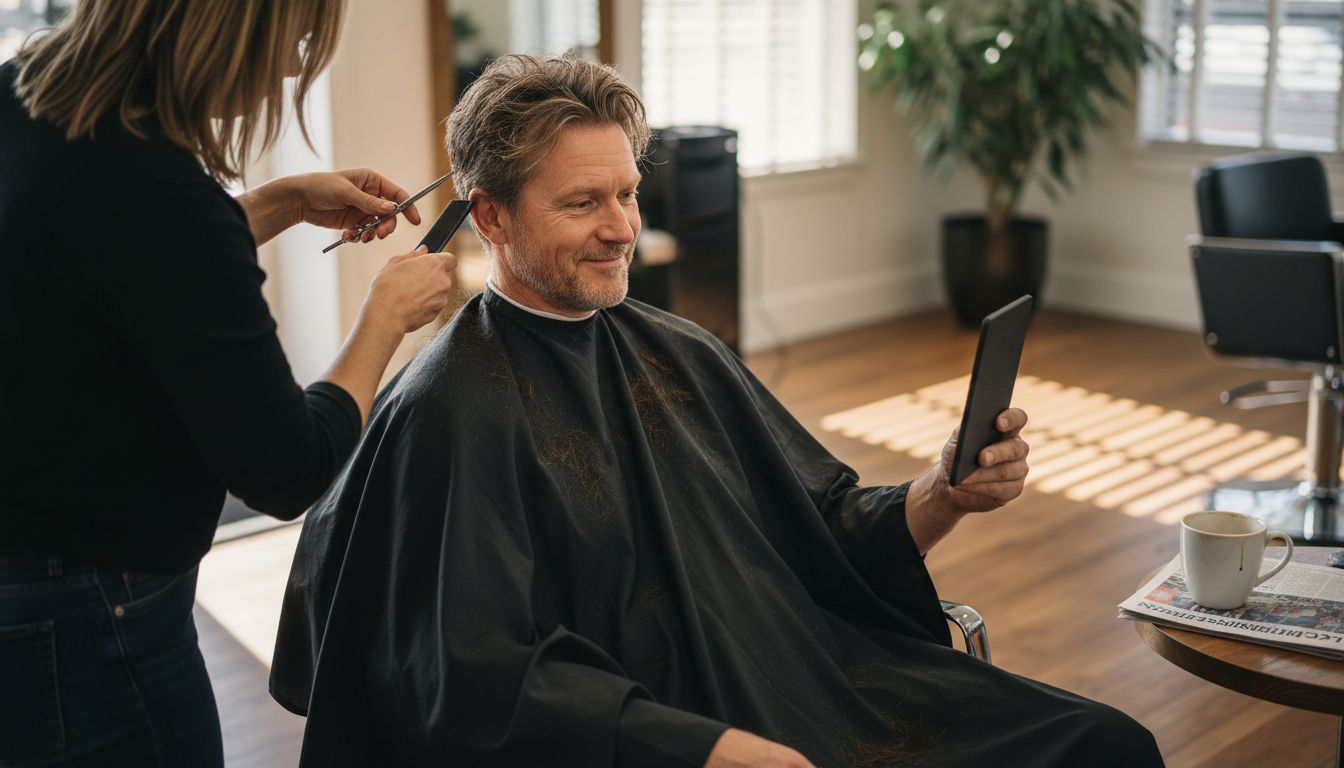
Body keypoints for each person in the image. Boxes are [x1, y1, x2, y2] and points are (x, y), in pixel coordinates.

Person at [271, 54, 1163, 767]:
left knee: (1107, 744)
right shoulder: (452, 409)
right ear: (490, 218)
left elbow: (820, 526)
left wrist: (942, 494)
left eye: (626, 192)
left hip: (807, 683)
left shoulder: (678, 351)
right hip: (670, 740)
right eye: (583, 203)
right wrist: (701, 747)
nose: (622, 228)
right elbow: (472, 677)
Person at [0, 1, 456, 766]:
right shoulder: (162, 197)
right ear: (232, 31)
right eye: (295, 41)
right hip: (95, 610)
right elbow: (288, 469)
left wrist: (273, 204)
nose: (289, 68)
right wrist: (384, 319)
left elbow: (99, 263)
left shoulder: (28, 90)